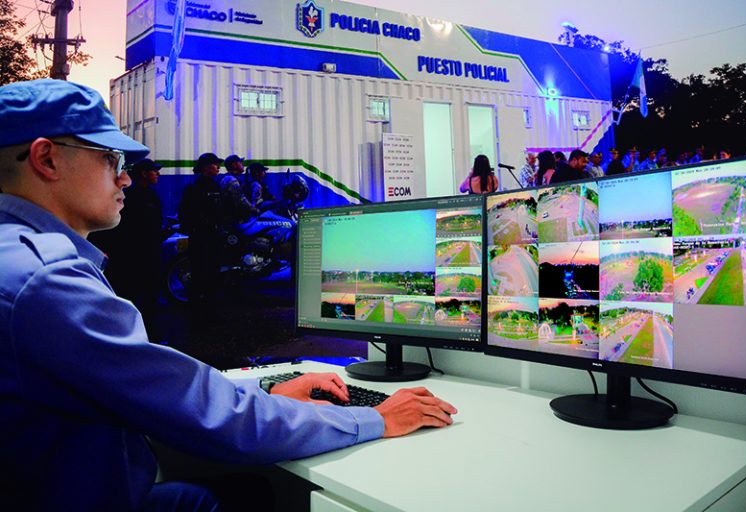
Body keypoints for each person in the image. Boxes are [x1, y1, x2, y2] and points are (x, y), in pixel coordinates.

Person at [0, 79, 457, 511]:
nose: (125, 179)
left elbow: (156, 388)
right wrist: (376, 419)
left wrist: (267, 390)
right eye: (111, 160)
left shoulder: (19, 257)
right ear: (47, 159)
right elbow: (204, 411)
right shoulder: (45, 280)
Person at [90, 157, 165, 340]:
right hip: (130, 259)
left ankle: (148, 336)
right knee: (128, 298)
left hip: (150, 256)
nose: (158, 174)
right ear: (144, 174)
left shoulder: (151, 195)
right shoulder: (127, 197)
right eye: (154, 170)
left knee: (149, 299)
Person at [178, 152, 226, 320]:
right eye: (215, 164)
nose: (218, 167)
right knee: (200, 274)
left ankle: (211, 312)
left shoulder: (216, 186)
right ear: (206, 167)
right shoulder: (194, 188)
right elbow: (186, 214)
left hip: (214, 238)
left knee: (213, 274)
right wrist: (199, 229)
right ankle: (198, 314)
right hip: (201, 239)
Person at [219, 153, 260, 224]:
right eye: (240, 162)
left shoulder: (228, 178)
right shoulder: (231, 180)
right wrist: (255, 210)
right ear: (234, 165)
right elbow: (241, 201)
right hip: (234, 221)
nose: (242, 164)